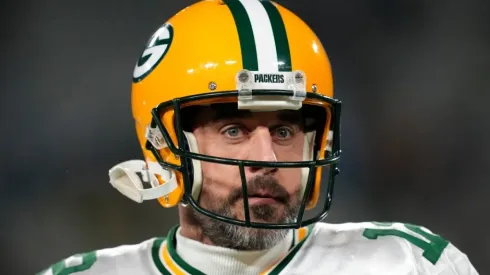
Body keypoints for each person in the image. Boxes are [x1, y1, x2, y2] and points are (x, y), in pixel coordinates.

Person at [38, 0, 479, 274]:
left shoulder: (409, 264)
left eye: (285, 130)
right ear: (165, 146)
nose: (266, 156)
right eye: (234, 131)